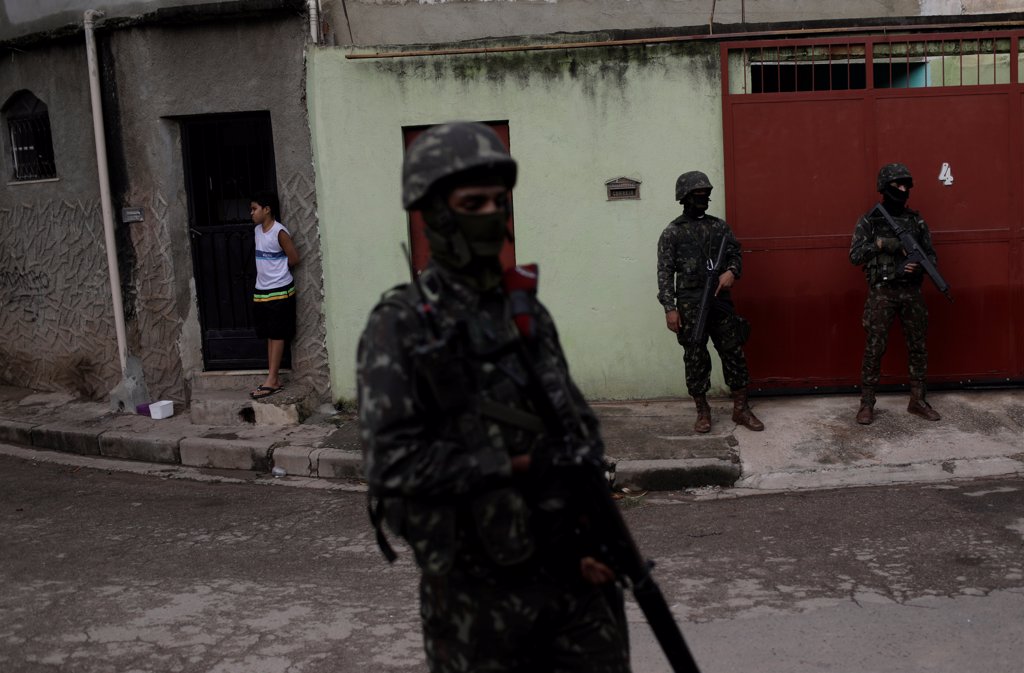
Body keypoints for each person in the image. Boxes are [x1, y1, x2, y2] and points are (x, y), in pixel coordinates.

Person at [357, 122, 631, 673]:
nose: (490, 214)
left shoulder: (524, 309)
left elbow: (576, 431)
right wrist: (518, 463)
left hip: (572, 584)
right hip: (476, 604)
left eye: (498, 201)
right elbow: (393, 466)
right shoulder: (401, 326)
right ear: (433, 210)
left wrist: (593, 539)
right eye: (471, 201)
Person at [656, 171, 763, 434]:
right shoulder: (673, 232)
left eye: (705, 194)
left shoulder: (719, 227)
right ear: (684, 197)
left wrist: (732, 272)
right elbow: (665, 272)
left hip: (721, 302)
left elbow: (735, 253)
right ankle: (703, 411)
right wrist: (670, 308)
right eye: (697, 195)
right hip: (691, 305)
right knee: (695, 358)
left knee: (733, 352)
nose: (702, 199)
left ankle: (741, 409)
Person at [849, 163, 940, 424]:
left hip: (911, 291)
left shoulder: (916, 220)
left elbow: (931, 255)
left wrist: (918, 266)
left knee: (918, 347)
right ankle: (866, 404)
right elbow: (854, 255)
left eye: (906, 186)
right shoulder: (870, 220)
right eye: (897, 185)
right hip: (882, 293)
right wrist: (885, 244)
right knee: (874, 348)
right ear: (884, 188)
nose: (903, 190)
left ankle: (918, 400)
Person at [249, 190, 299, 399]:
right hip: (262, 291)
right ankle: (273, 379)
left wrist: (278, 272)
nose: (251, 213)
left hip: (280, 290)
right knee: (269, 334)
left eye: (254, 209)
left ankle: (272, 379)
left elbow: (294, 258)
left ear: (267, 209)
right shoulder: (258, 231)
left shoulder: (279, 232)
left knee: (278, 334)